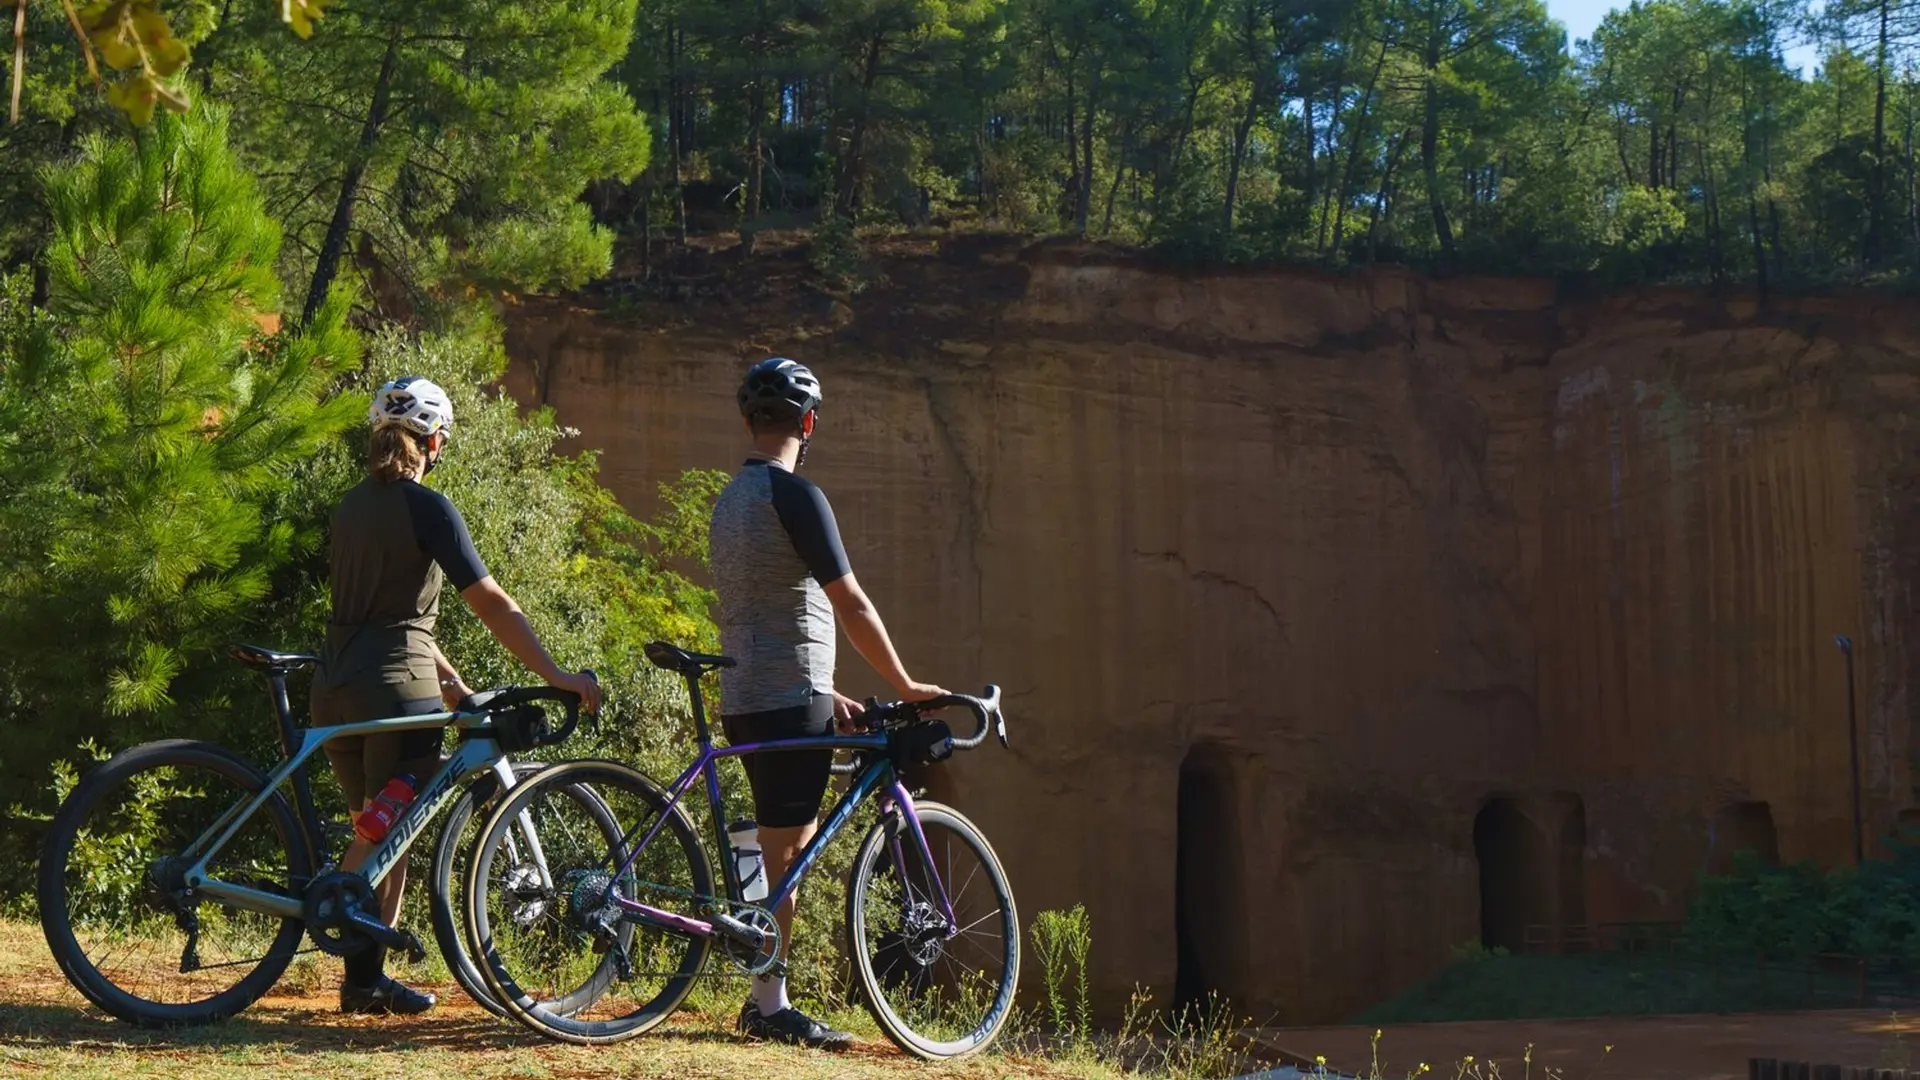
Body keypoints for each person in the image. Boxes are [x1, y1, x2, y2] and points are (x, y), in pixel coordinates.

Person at [312, 375, 603, 1016]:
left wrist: (446, 675)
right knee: (384, 834)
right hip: (393, 693)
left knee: (383, 830)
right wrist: (555, 673)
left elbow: (379, 613)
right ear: (435, 438)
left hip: (336, 687)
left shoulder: (350, 506)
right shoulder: (428, 508)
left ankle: (364, 981)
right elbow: (490, 601)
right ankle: (337, 922)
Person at [708, 357, 948, 1050]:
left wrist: (828, 690)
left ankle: (764, 991)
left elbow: (763, 606)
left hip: (749, 696)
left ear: (750, 422)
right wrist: (904, 684)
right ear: (808, 423)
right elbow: (850, 601)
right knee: (792, 851)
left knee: (777, 844)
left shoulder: (729, 501)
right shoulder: (797, 496)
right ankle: (770, 1004)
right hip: (786, 698)